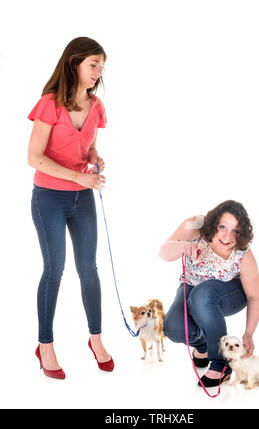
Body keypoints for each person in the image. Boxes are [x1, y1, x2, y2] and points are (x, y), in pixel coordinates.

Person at [28, 36, 114, 379]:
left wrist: (94, 160)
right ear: (73, 63)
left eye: (102, 66)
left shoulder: (96, 107)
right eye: (93, 64)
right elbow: (34, 158)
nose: (98, 72)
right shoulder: (49, 104)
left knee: (89, 269)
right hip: (48, 197)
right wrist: (76, 178)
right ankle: (45, 345)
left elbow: (90, 148)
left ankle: (95, 339)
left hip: (83, 198)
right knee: (54, 270)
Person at [159, 200, 259, 388]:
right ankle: (203, 345)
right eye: (222, 227)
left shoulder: (242, 253)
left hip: (229, 292)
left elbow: (255, 297)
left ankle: (221, 364)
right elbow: (164, 251)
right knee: (174, 328)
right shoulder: (195, 225)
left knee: (202, 294)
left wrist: (248, 333)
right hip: (191, 286)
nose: (227, 236)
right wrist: (183, 247)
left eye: (235, 231)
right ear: (213, 223)